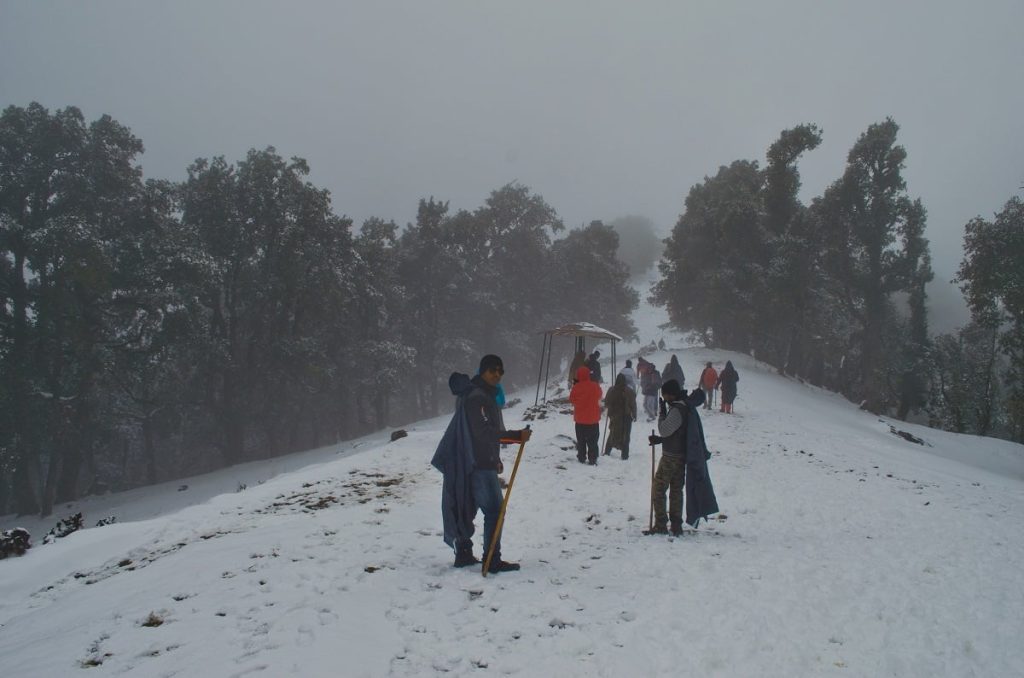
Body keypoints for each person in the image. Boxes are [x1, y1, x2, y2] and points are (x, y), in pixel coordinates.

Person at [431, 354, 531, 573]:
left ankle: (464, 553)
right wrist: (516, 436)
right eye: (492, 370)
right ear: (482, 371)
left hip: (474, 462)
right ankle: (492, 560)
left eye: (500, 371)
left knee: (466, 506)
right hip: (478, 464)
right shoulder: (478, 397)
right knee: (495, 510)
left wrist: (496, 459)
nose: (497, 375)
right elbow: (482, 433)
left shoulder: (478, 394)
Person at [647, 380, 719, 535]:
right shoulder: (684, 406)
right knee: (676, 491)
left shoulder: (678, 409)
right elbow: (677, 434)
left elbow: (664, 429)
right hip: (680, 457)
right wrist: (660, 440)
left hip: (670, 458)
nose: (664, 398)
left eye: (665, 395)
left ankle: (660, 524)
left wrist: (662, 413)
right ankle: (676, 525)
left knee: (658, 489)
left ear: (670, 393)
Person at [569, 365, 602, 465]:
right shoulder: (595, 385)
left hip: (580, 420)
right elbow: (600, 395)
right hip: (593, 419)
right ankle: (592, 458)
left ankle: (581, 456)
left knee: (581, 440)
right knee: (593, 440)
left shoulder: (576, 387)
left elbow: (572, 400)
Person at [602, 373, 637, 459]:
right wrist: (634, 414)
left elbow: (606, 402)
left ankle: (607, 451)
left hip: (615, 416)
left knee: (613, 433)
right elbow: (633, 404)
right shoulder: (629, 391)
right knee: (626, 435)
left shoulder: (611, 390)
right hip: (626, 416)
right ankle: (625, 455)